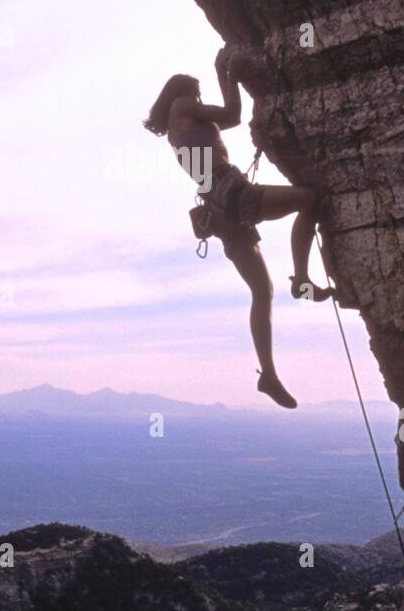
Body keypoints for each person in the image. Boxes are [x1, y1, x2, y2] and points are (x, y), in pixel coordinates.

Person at [143, 48, 334, 409]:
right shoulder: (183, 106)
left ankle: (269, 375)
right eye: (198, 94)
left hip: (219, 209)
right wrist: (225, 72)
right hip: (232, 193)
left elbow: (227, 120)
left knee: (262, 292)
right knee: (309, 199)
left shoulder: (176, 129)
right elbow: (232, 112)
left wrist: (225, 76)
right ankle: (302, 278)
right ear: (183, 92)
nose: (200, 101)